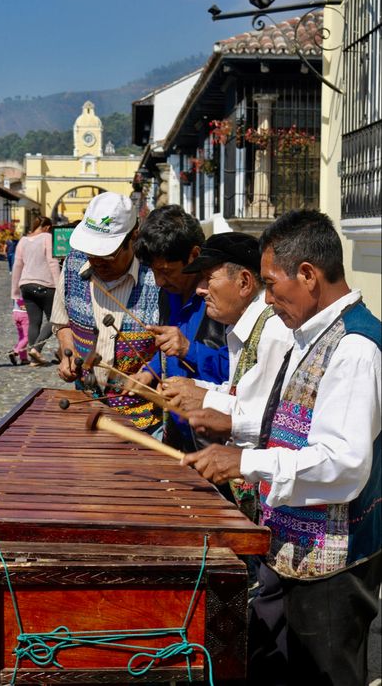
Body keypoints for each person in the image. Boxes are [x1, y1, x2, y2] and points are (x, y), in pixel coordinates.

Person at [182, 211, 381, 686]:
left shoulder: (354, 347)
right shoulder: (310, 333)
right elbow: (289, 422)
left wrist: (245, 461)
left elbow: (344, 463)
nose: (268, 300)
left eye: (271, 285)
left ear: (308, 275)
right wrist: (227, 420)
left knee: (327, 676)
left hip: (334, 559)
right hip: (296, 543)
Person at [160, 232, 293, 511]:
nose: (199, 290)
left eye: (208, 279)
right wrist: (195, 390)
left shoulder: (274, 333)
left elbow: (274, 421)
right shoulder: (242, 326)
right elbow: (244, 394)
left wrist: (205, 399)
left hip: (275, 500)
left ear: (244, 282)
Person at [51, 191, 161, 431]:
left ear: (133, 237)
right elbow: (62, 323)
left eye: (107, 255)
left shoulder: (157, 277)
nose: (98, 262)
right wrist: (67, 354)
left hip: (143, 421)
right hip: (87, 410)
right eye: (92, 253)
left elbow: (171, 345)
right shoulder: (73, 264)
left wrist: (149, 374)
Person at [132, 206, 229, 450]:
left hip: (215, 441)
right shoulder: (168, 292)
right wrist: (149, 371)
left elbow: (239, 373)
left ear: (194, 255)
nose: (159, 281)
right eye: (154, 271)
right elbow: (169, 346)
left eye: (166, 271)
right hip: (178, 432)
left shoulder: (221, 300)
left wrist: (189, 349)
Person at [11, 216, 60, 365]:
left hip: (26, 285)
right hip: (46, 284)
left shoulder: (23, 241)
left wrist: (15, 290)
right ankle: (36, 350)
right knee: (55, 319)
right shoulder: (46, 237)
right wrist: (59, 285)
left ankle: (34, 359)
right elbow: (52, 262)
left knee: (34, 322)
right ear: (46, 227)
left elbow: (17, 265)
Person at [8, 298, 29, 365]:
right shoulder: (24, 288)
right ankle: (15, 351)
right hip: (24, 313)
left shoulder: (15, 289)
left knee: (22, 337)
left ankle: (23, 358)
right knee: (27, 337)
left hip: (15, 312)